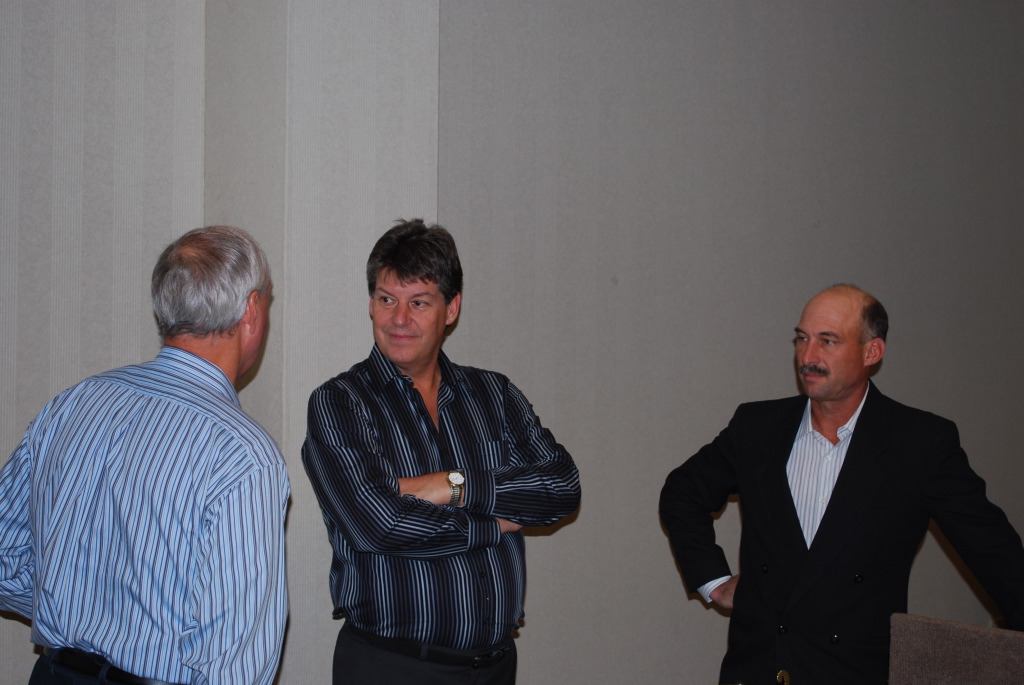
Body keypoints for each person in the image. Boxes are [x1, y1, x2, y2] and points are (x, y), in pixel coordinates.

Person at [659, 284, 1024, 685]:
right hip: (759, 667)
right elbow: (682, 493)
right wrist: (713, 581)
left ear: (872, 352)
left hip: (853, 671)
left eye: (828, 341)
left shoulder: (918, 443)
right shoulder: (757, 428)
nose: (808, 357)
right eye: (802, 339)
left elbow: (995, 552)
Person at [0, 226, 290, 685]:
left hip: (53, 674)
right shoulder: (243, 455)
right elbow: (235, 662)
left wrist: (74, 617)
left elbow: (4, 557)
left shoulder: (74, 403)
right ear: (252, 310)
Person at [302, 218, 580, 684]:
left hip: (494, 667)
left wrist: (452, 485)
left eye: (418, 302)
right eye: (386, 299)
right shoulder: (340, 403)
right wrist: (495, 523)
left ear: (451, 309)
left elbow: (561, 487)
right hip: (392, 666)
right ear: (370, 304)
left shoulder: (495, 395)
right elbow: (379, 525)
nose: (399, 319)